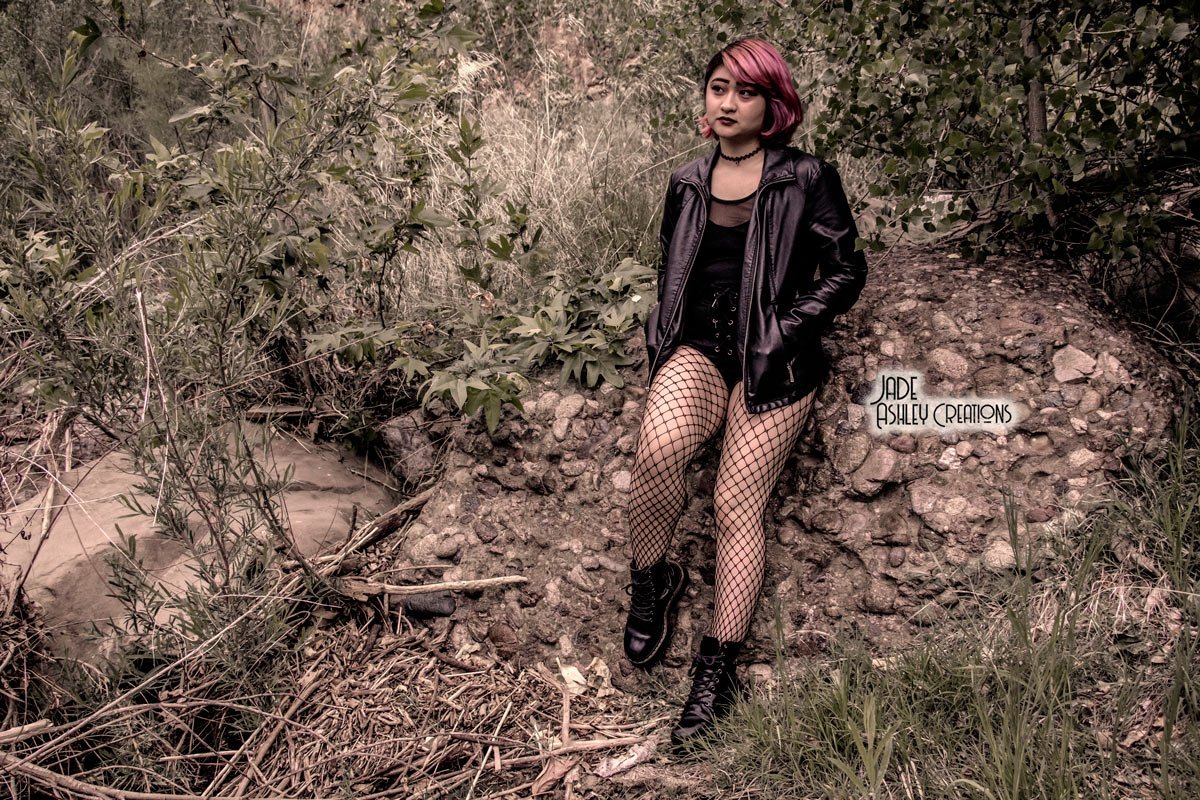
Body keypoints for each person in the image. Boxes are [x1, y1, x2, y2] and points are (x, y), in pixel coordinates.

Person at [623, 37, 868, 747]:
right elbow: (675, 268)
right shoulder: (688, 182)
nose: (727, 103)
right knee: (659, 452)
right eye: (718, 88)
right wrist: (662, 336)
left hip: (774, 362)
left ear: (773, 105)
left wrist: (787, 328)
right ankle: (652, 581)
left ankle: (718, 666)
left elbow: (846, 269)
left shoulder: (806, 177)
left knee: (735, 504)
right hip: (698, 351)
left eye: (745, 92)